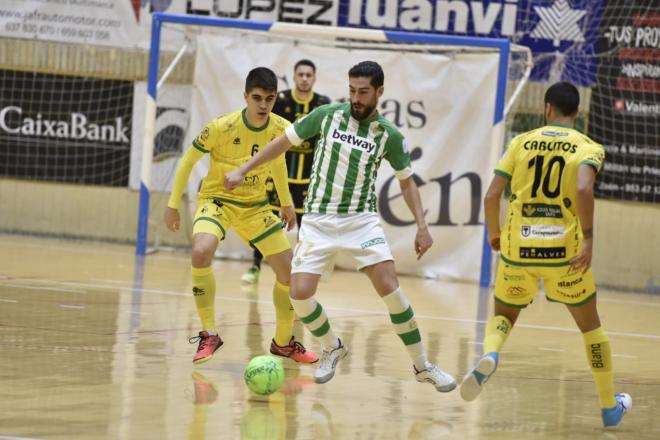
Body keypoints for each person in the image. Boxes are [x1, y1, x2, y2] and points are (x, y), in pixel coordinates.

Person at [226, 61, 456, 391]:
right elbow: (282, 143)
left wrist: (422, 225)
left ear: (379, 92)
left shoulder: (388, 135)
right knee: (300, 295)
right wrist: (243, 170)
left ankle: (423, 365)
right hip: (318, 220)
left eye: (363, 92)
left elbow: (407, 183)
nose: (356, 98)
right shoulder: (328, 115)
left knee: (390, 288)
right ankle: (333, 346)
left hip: (360, 222)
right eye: (352, 90)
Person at [460, 82, 631, 429]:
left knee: (504, 315)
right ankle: (609, 407)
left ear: (547, 107)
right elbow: (583, 188)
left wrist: (495, 233)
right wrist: (589, 238)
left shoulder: (520, 142)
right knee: (590, 328)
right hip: (564, 255)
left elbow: (492, 196)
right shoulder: (588, 146)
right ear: (577, 112)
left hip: (518, 250)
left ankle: (490, 354)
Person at [164, 67, 318, 366]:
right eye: (257, 98)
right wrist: (172, 205)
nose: (263, 105)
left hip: (256, 206)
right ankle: (209, 333)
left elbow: (277, 164)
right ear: (245, 96)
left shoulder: (281, 127)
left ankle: (283, 343)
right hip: (217, 200)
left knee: (290, 273)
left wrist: (286, 203)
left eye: (269, 99)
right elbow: (187, 161)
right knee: (201, 251)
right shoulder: (221, 127)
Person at [241, 59, 331, 284]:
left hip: (308, 178)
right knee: (268, 222)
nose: (304, 79)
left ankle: (302, 271)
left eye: (308, 75)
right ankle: (254, 267)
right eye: (300, 74)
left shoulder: (322, 104)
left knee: (307, 227)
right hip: (278, 175)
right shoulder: (280, 101)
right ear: (294, 76)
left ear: (314, 78)